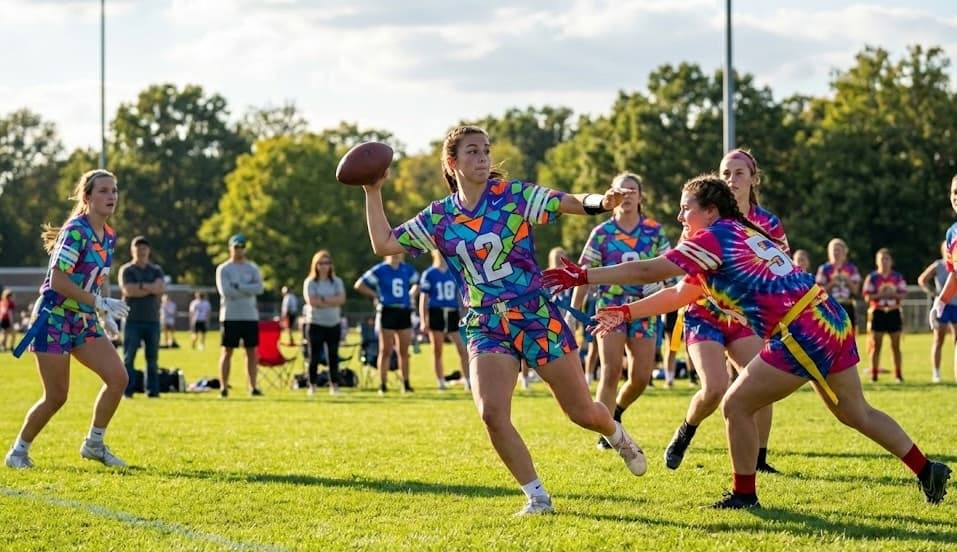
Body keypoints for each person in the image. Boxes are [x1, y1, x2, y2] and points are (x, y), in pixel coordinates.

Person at [544, 173, 952, 509]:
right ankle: (926, 468)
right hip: (825, 315)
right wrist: (626, 312)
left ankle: (744, 494)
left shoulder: (711, 239)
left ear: (710, 210)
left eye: (687, 207)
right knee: (855, 412)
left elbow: (647, 271)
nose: (679, 214)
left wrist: (585, 276)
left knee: (737, 404)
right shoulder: (735, 231)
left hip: (801, 328)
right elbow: (680, 294)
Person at [360, 125, 647, 515]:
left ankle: (616, 434)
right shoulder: (440, 217)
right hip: (485, 322)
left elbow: (571, 202)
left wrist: (603, 199)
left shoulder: (514, 196)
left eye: (485, 151)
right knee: (491, 413)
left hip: (534, 314)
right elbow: (384, 243)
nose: (482, 158)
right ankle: (537, 497)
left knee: (581, 412)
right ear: (452, 163)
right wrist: (372, 190)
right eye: (472, 152)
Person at [666, 149, 784, 473]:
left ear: (753, 179)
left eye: (739, 173)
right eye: (726, 173)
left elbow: (780, 268)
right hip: (704, 312)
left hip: (745, 317)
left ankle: (759, 459)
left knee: (763, 381)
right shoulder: (699, 218)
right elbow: (680, 266)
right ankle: (686, 429)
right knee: (715, 388)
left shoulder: (767, 222)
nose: (731, 179)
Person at [4, 169, 131, 469]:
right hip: (54, 319)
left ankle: (94, 444)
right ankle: (18, 451)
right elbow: (59, 281)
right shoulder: (76, 230)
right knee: (57, 396)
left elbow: (95, 278)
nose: (111, 196)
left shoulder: (109, 235)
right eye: (103, 190)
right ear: (87, 197)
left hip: (84, 319)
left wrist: (102, 312)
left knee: (118, 378)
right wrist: (99, 302)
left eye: (113, 190)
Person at [570, 172, 671, 451]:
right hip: (609, 308)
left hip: (645, 309)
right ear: (612, 195)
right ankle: (605, 432)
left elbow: (674, 270)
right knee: (611, 369)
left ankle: (615, 413)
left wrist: (664, 288)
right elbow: (583, 275)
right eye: (621, 191)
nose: (627, 196)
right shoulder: (602, 233)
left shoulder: (654, 230)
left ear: (640, 197)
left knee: (640, 377)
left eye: (632, 191)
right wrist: (572, 314)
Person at [354, 253, 419, 394]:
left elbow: (417, 283)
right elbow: (359, 284)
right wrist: (375, 295)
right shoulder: (380, 269)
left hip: (403, 310)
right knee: (385, 350)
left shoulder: (407, 269)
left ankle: (406, 383)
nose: (395, 255)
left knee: (403, 351)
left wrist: (411, 294)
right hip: (388, 311)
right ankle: (382, 384)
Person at [215, 233, 264, 398]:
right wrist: (247, 289)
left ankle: (253, 386)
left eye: (241, 247)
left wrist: (239, 286)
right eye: (236, 247)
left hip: (250, 315)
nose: (239, 250)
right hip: (230, 316)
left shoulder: (253, 268)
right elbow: (226, 292)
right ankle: (223, 387)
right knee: (227, 351)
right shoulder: (224, 269)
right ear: (230, 248)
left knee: (251, 352)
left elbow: (258, 289)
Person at [118, 235, 166, 398]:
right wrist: (149, 287)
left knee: (152, 359)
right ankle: (127, 390)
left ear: (149, 251)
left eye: (144, 248)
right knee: (128, 358)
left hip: (152, 320)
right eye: (138, 248)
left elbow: (160, 289)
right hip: (132, 320)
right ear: (133, 250)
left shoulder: (156, 270)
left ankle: (152, 390)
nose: (141, 251)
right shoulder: (127, 270)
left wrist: (141, 287)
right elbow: (129, 290)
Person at [419, 249, 469, 391]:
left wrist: (463, 311)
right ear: (434, 254)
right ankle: (440, 381)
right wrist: (423, 320)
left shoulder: (453, 273)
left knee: (462, 348)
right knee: (437, 349)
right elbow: (424, 298)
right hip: (436, 312)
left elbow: (461, 293)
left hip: (452, 312)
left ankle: (468, 380)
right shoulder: (429, 273)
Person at [303, 250, 346, 395]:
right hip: (315, 324)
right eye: (321, 263)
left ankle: (334, 385)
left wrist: (322, 300)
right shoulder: (310, 282)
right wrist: (330, 300)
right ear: (315, 265)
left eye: (327, 263)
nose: (324, 266)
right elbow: (312, 301)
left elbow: (341, 299)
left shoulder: (337, 282)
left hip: (333, 323)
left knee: (333, 356)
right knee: (314, 355)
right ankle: (312, 385)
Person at [862, 248, 907, 383]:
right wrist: (881, 294)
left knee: (896, 345)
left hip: (893, 311)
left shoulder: (897, 277)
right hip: (878, 312)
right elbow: (867, 296)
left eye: (887, 259)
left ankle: (898, 374)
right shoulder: (873, 278)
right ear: (877, 261)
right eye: (881, 259)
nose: (884, 262)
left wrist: (893, 293)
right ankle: (874, 374)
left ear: (891, 261)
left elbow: (903, 293)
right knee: (876, 344)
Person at [929, 175, 957, 380]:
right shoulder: (952, 234)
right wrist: (941, 301)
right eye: (954, 192)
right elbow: (954, 274)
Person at [918, 241, 957, 383]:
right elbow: (922, 279)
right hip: (943, 307)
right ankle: (936, 373)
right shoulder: (939, 265)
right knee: (938, 339)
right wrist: (934, 293)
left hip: (956, 306)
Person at [816, 238, 862, 330]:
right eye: (834, 250)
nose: (836, 253)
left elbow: (856, 291)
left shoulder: (851, 268)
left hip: (847, 305)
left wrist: (847, 279)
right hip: (830, 305)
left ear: (845, 252)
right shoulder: (824, 269)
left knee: (849, 334)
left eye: (839, 250)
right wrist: (832, 283)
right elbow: (818, 291)